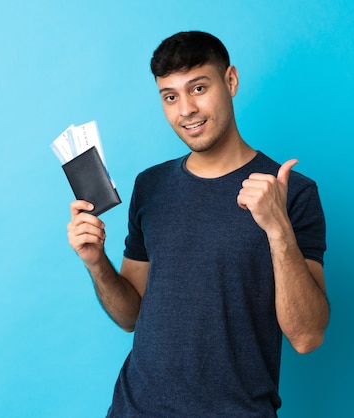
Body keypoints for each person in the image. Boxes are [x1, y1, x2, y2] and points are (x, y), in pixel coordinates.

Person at [67, 30, 329, 417]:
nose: (186, 109)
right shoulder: (150, 186)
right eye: (170, 96)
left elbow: (307, 337)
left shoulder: (292, 193)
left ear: (231, 81)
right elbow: (130, 317)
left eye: (199, 88)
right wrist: (96, 262)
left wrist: (278, 230)